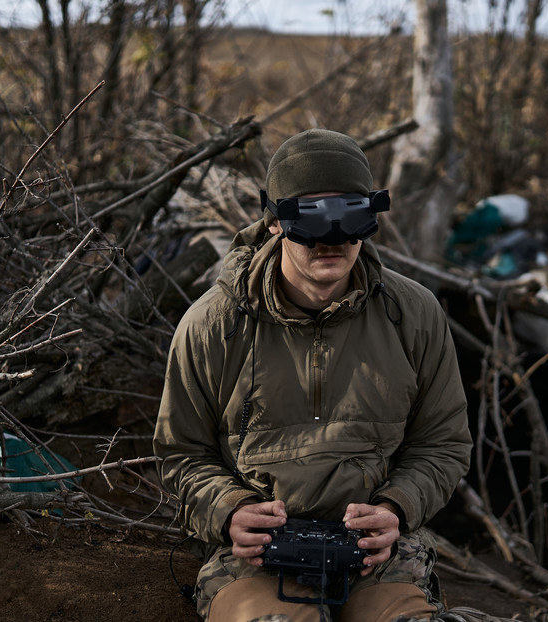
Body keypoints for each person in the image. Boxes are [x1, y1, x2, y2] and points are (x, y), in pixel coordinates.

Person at [153, 128, 473, 622]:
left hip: (375, 553)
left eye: (350, 216)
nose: (333, 240)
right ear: (277, 221)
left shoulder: (412, 315)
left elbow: (443, 443)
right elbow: (181, 454)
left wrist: (396, 507)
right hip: (256, 558)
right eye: (311, 219)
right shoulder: (214, 326)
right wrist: (231, 511)